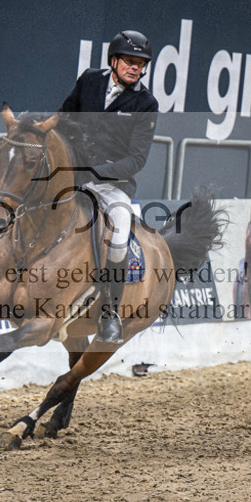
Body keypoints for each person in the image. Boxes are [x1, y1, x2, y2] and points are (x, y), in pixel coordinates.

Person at [58, 30, 158, 344]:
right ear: (113, 60)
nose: (135, 67)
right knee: (29, 194)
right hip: (71, 173)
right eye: (129, 61)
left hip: (112, 185)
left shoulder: (145, 103)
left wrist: (95, 173)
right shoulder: (89, 80)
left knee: (119, 229)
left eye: (140, 64)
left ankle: (110, 311)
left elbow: (136, 159)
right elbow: (63, 118)